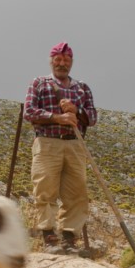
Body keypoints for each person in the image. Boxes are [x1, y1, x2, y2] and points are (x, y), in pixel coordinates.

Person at [23, 41, 98, 254]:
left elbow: (92, 118)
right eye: (58, 60)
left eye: (66, 60)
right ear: (51, 61)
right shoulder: (39, 83)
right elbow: (28, 112)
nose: (61, 64)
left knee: (76, 193)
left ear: (71, 63)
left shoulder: (82, 88)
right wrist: (58, 117)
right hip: (47, 142)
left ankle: (69, 239)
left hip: (74, 145)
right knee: (45, 189)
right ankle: (49, 238)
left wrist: (77, 110)